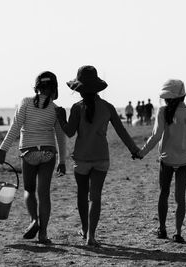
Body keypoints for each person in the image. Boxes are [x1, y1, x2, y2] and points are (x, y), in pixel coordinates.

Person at [55, 65, 140, 247]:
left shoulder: (77, 108)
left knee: (82, 195)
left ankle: (85, 229)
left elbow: (69, 132)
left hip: (82, 159)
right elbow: (121, 131)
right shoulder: (108, 107)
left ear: (79, 89)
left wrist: (61, 117)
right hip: (101, 158)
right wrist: (134, 150)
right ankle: (91, 236)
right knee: (96, 197)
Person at [0, 71, 66, 244]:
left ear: (37, 87)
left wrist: (3, 149)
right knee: (44, 194)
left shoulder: (26, 102)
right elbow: (60, 136)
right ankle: (43, 234)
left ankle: (34, 219)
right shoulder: (56, 109)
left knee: (29, 190)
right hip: (48, 153)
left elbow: (15, 126)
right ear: (54, 89)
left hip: (29, 152)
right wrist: (62, 160)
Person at [135, 79, 186, 243]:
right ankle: (178, 232)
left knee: (163, 193)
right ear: (184, 95)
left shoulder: (162, 111)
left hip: (166, 159)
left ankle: (162, 229)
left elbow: (156, 136)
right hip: (184, 159)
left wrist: (142, 153)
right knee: (180, 198)